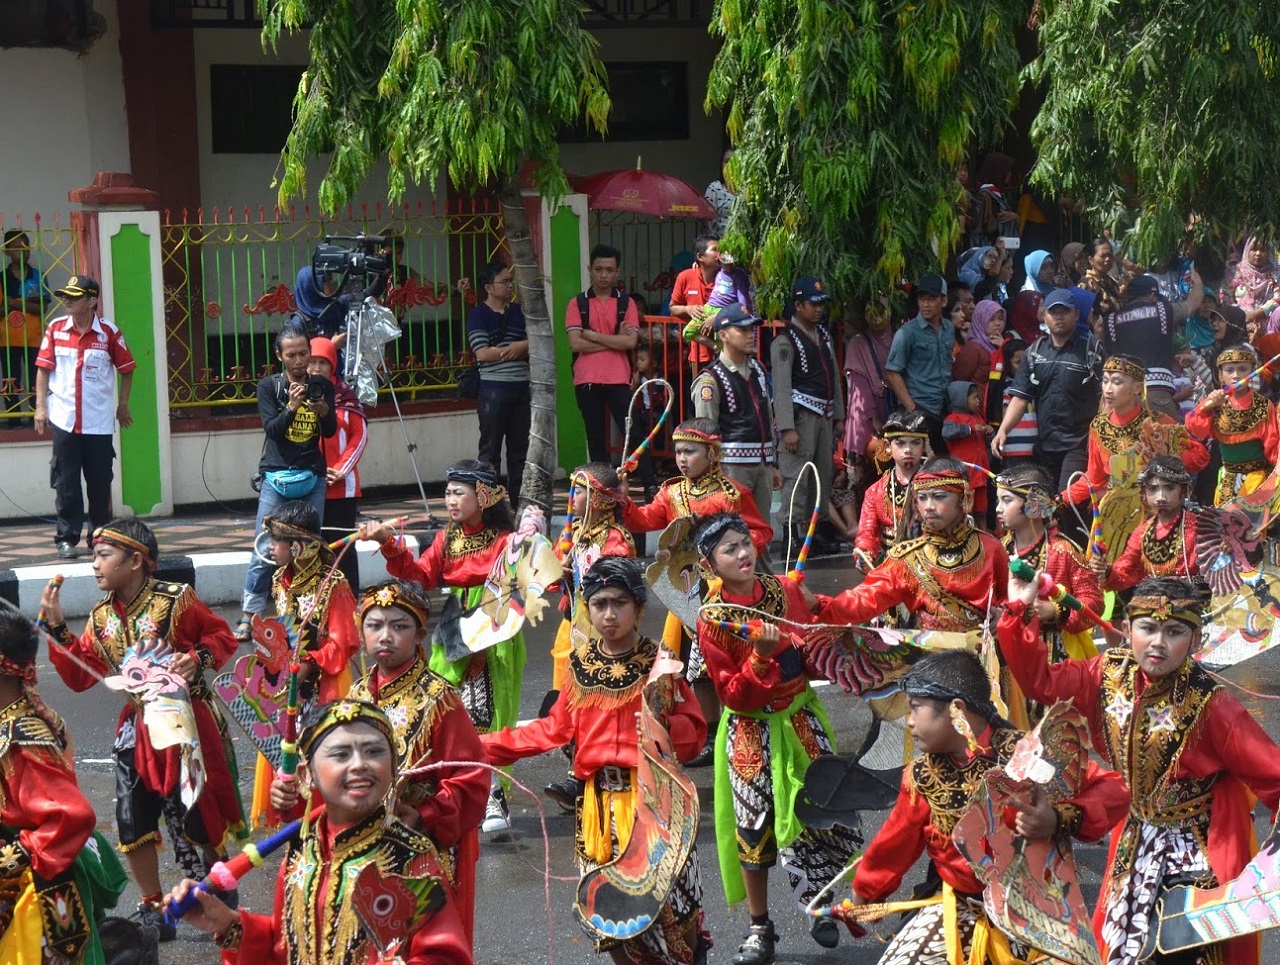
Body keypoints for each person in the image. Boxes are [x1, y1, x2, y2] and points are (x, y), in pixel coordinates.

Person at [999, 573, 1280, 965]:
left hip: (1195, 852)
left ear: (1196, 640)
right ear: (1128, 629)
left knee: (1175, 950)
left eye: (1175, 631)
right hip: (1133, 841)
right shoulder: (1105, 674)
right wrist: (1019, 609)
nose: (1158, 643)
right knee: (1122, 950)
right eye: (1147, 628)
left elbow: (1274, 775)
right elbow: (1040, 683)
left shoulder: (1214, 706)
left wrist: (1268, 872)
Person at [484, 557, 710, 965]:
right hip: (599, 810)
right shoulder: (579, 666)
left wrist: (661, 726)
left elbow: (694, 735)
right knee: (612, 921)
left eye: (619, 603)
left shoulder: (660, 665)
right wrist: (481, 746)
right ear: (586, 608)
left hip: (655, 806)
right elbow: (551, 731)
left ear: (638, 608)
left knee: (674, 916)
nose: (609, 613)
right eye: (600, 603)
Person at [847, 651, 1128, 965]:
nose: (908, 721)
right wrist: (865, 895)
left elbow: (1114, 789)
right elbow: (894, 844)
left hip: (1042, 912)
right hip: (961, 911)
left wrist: (1057, 819)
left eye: (915, 708)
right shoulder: (923, 777)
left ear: (957, 711)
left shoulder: (1030, 756)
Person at [40, 519, 244, 940]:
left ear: (136, 561)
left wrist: (197, 659)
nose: (94, 565)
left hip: (185, 721)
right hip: (136, 725)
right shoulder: (99, 620)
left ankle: (216, 883)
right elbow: (81, 677)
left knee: (196, 809)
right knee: (132, 815)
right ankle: (153, 908)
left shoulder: (175, 601)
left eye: (103, 555)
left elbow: (220, 634)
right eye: (94, 556)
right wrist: (58, 628)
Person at [169, 700, 473, 965]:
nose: (360, 764)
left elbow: (444, 956)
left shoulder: (410, 855)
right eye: (340, 754)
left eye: (374, 751)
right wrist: (230, 925)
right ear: (306, 775)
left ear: (393, 767)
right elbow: (287, 946)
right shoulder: (302, 847)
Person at [272, 580, 489, 948]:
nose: (385, 636)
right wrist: (295, 794)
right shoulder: (354, 696)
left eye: (399, 626)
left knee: (408, 944)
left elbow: (471, 777)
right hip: (352, 843)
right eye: (374, 625)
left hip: (412, 845)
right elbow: (330, 776)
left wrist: (425, 815)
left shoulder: (439, 699)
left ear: (419, 634)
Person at [692, 513, 861, 963]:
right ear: (710, 565)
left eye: (745, 543)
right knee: (754, 829)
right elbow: (732, 695)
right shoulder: (713, 620)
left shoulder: (783, 590)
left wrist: (828, 635)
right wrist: (761, 659)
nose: (743, 553)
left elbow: (811, 651)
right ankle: (760, 928)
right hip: (750, 731)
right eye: (729, 549)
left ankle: (822, 903)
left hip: (801, 717)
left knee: (818, 811)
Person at [359, 460, 524, 833]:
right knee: (446, 710)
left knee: (488, 714)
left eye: (458, 493)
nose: (450, 500)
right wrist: (388, 541)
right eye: (447, 492)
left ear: (483, 497)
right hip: (454, 626)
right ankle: (446, 792)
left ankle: (493, 796)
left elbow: (530, 582)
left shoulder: (506, 541)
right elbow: (421, 576)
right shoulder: (447, 537)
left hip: (493, 627)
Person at [617, 419, 773, 768]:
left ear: (712, 453)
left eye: (690, 451)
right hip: (686, 596)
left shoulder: (732, 494)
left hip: (724, 594)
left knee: (732, 662)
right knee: (693, 669)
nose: (681, 458)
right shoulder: (672, 493)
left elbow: (760, 532)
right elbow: (641, 521)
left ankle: (749, 728)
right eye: (678, 451)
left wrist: (731, 553)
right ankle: (712, 736)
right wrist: (623, 500)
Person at [0, 605, 128, 964]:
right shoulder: (12, 721)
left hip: (41, 885)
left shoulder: (23, 736)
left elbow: (69, 817)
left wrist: (9, 861)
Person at [249, 500, 360, 827]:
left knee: (320, 760)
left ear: (297, 547)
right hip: (289, 684)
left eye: (276, 541)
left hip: (325, 684)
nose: (271, 547)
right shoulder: (280, 579)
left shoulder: (333, 583)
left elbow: (344, 643)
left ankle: (328, 823)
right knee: (286, 758)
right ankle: (294, 827)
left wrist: (309, 664)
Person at [820, 457, 1010, 632]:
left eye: (939, 496)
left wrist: (1004, 615)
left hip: (983, 660)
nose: (928, 506)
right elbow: (865, 600)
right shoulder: (906, 558)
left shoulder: (991, 549)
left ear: (965, 499)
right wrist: (817, 605)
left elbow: (1009, 599)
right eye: (922, 497)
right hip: (931, 660)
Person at [544, 462, 636, 810]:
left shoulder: (616, 540)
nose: (573, 497)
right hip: (572, 630)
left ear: (602, 499)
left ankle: (582, 778)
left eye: (581, 490)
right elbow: (551, 580)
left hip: (602, 633)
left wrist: (584, 573)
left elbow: (617, 585)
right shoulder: (572, 533)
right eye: (573, 489)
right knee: (567, 701)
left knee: (597, 702)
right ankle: (580, 773)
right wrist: (560, 569)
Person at [238, 324, 336, 640]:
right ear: (280, 356)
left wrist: (322, 410)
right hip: (276, 474)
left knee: (311, 546)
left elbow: (331, 430)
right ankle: (249, 613)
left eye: (303, 353)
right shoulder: (269, 387)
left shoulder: (321, 385)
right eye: (291, 354)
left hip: (313, 474)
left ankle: (308, 613)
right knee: (264, 546)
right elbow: (273, 431)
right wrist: (292, 406)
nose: (298, 360)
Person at [33, 275, 136, 560]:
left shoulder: (108, 333)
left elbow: (127, 368)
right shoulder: (55, 329)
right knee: (65, 483)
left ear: (91, 301)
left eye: (74, 296)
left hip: (98, 422)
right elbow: (43, 369)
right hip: (64, 420)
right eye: (65, 295)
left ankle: (99, 537)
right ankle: (66, 539)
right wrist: (40, 407)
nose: (67, 300)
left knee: (100, 483)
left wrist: (123, 405)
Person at [1062, 355, 1209, 512]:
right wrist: (1062, 499)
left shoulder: (1158, 422)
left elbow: (1200, 456)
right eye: (1105, 381)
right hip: (1116, 512)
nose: (1108, 389)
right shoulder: (1098, 426)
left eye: (1117, 382)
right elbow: (1094, 477)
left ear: (1138, 388)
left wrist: (1169, 456)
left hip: (1155, 510)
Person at [992, 288, 1104, 494]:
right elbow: (1020, 397)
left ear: (1076, 314)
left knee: (1067, 499)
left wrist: (1100, 438)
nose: (1059, 317)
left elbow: (1105, 397)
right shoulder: (1034, 352)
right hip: (1044, 444)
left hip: (1079, 444)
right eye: (1054, 312)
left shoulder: (1091, 349)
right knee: (1046, 501)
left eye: (1065, 311)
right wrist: (1003, 431)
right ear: (1045, 316)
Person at [995, 463, 1102, 668]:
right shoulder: (999, 549)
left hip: (1056, 657)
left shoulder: (1063, 550)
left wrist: (1054, 611)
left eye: (1006, 500)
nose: (998, 508)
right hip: (1008, 651)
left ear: (1034, 504)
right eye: (997, 500)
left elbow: (1095, 602)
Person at [772, 276, 845, 554]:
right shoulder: (784, 341)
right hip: (801, 419)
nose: (818, 309)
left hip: (824, 417)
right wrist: (787, 427)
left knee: (821, 477)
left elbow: (835, 379)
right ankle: (791, 534)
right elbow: (781, 387)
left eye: (821, 304)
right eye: (812, 304)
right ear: (798, 305)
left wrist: (839, 415)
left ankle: (816, 533)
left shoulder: (824, 336)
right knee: (796, 476)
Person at [691, 306, 781, 526]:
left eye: (752, 329)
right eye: (742, 330)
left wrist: (772, 463)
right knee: (733, 533)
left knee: (762, 534)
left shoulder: (758, 370)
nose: (751, 335)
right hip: (731, 469)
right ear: (723, 335)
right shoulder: (710, 380)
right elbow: (706, 435)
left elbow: (768, 419)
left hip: (762, 464)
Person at [565, 245, 642, 465]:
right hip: (586, 379)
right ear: (590, 269)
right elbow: (575, 343)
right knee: (596, 438)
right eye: (598, 269)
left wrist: (592, 335)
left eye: (609, 270)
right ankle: (603, 487)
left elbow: (630, 341)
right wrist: (613, 340)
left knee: (634, 432)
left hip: (619, 378)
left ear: (617, 272)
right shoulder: (577, 303)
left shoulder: (627, 303)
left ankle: (649, 483)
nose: (603, 275)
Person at [466, 261, 530, 505]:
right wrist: (514, 349)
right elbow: (482, 353)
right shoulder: (478, 314)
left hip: (521, 389)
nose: (509, 286)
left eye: (510, 281)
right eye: (504, 282)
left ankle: (520, 504)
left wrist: (520, 346)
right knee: (490, 452)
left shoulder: (519, 312)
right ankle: (489, 507)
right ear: (488, 287)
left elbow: (535, 342)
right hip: (493, 391)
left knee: (520, 452)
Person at [1100, 270, 1205, 417]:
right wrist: (1197, 281)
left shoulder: (1110, 321)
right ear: (1152, 295)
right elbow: (1193, 303)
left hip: (1122, 396)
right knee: (1164, 438)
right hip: (1156, 394)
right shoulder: (1163, 311)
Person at [1091, 455, 1202, 591]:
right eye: (1152, 489)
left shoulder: (1202, 528)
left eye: (1169, 488)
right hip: (1152, 604)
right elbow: (1123, 574)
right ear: (1143, 494)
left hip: (1195, 604)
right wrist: (1105, 570)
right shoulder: (1142, 533)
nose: (1160, 497)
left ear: (1183, 490)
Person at [309, 335, 367, 593]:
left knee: (343, 548)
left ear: (333, 364)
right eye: (312, 362)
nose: (316, 368)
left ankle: (349, 601)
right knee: (312, 547)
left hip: (342, 488)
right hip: (308, 485)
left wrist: (342, 470)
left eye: (323, 362)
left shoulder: (346, 395)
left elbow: (360, 435)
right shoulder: (299, 394)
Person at [1186, 343, 1278, 504]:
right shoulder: (1215, 403)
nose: (1236, 375)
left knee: (1251, 525)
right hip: (1228, 477)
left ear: (1251, 372)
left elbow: (1273, 445)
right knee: (1225, 524)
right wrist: (1206, 407)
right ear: (1221, 375)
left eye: (1243, 369)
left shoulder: (1263, 405)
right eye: (1229, 370)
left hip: (1257, 478)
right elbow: (1195, 429)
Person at [885, 274, 955, 455]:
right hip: (918, 408)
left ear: (944, 301)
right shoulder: (907, 333)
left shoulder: (949, 329)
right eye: (922, 299)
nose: (926, 304)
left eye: (932, 299)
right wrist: (912, 409)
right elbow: (893, 372)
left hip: (943, 409)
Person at [854, 408, 928, 568]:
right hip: (890, 567)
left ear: (924, 446)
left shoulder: (938, 486)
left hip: (930, 566)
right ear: (888, 446)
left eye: (915, 443)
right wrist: (864, 554)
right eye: (900, 443)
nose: (908, 449)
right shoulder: (875, 492)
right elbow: (867, 532)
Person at [1, 230, 49, 420]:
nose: (23, 252)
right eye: (17, 248)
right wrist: (28, 304)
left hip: (34, 337)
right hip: (7, 339)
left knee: (34, 380)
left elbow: (43, 307)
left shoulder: (38, 276)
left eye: (26, 247)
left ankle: (35, 416)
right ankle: (13, 418)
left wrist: (14, 303)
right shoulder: (1, 279)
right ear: (6, 251)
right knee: (11, 381)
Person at [842, 298, 896, 462]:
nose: (877, 319)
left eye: (881, 313)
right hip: (868, 408)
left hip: (894, 403)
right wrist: (873, 417)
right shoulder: (858, 343)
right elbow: (859, 386)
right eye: (871, 314)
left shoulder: (899, 339)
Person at [289, 262, 388, 349]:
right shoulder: (298, 324)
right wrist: (331, 346)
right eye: (325, 282)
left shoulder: (337, 305)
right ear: (312, 288)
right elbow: (297, 358)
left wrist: (382, 274)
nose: (331, 284)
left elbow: (368, 295)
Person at [670, 234, 721, 378]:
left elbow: (738, 307)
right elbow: (673, 308)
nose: (719, 254)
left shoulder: (726, 277)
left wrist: (717, 317)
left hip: (727, 350)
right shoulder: (685, 276)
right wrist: (688, 309)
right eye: (715, 250)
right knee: (702, 395)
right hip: (698, 353)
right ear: (700, 256)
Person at [942, 381, 992, 518]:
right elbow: (947, 432)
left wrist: (988, 433)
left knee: (982, 509)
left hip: (981, 472)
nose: (978, 401)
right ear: (961, 399)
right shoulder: (952, 419)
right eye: (974, 398)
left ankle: (983, 533)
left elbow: (986, 442)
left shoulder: (978, 418)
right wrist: (969, 429)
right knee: (966, 508)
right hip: (964, 474)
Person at [1231, 234, 1280, 330]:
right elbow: (1225, 296)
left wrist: (1257, 313)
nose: (1258, 253)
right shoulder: (1236, 272)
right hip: (1239, 323)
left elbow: (1278, 297)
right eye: (1254, 249)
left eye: (1262, 250)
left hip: (1268, 325)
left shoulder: (1274, 273)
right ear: (1247, 251)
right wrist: (1242, 315)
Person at [974, 152, 1020, 249]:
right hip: (989, 253)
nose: (1010, 174)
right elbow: (980, 231)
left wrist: (1015, 217)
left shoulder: (1000, 195)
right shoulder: (984, 196)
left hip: (1003, 254)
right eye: (1006, 171)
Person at [705, 148, 736, 236]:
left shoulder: (749, 188)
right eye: (726, 161)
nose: (729, 165)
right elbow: (708, 225)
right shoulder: (714, 189)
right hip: (720, 244)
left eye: (733, 161)